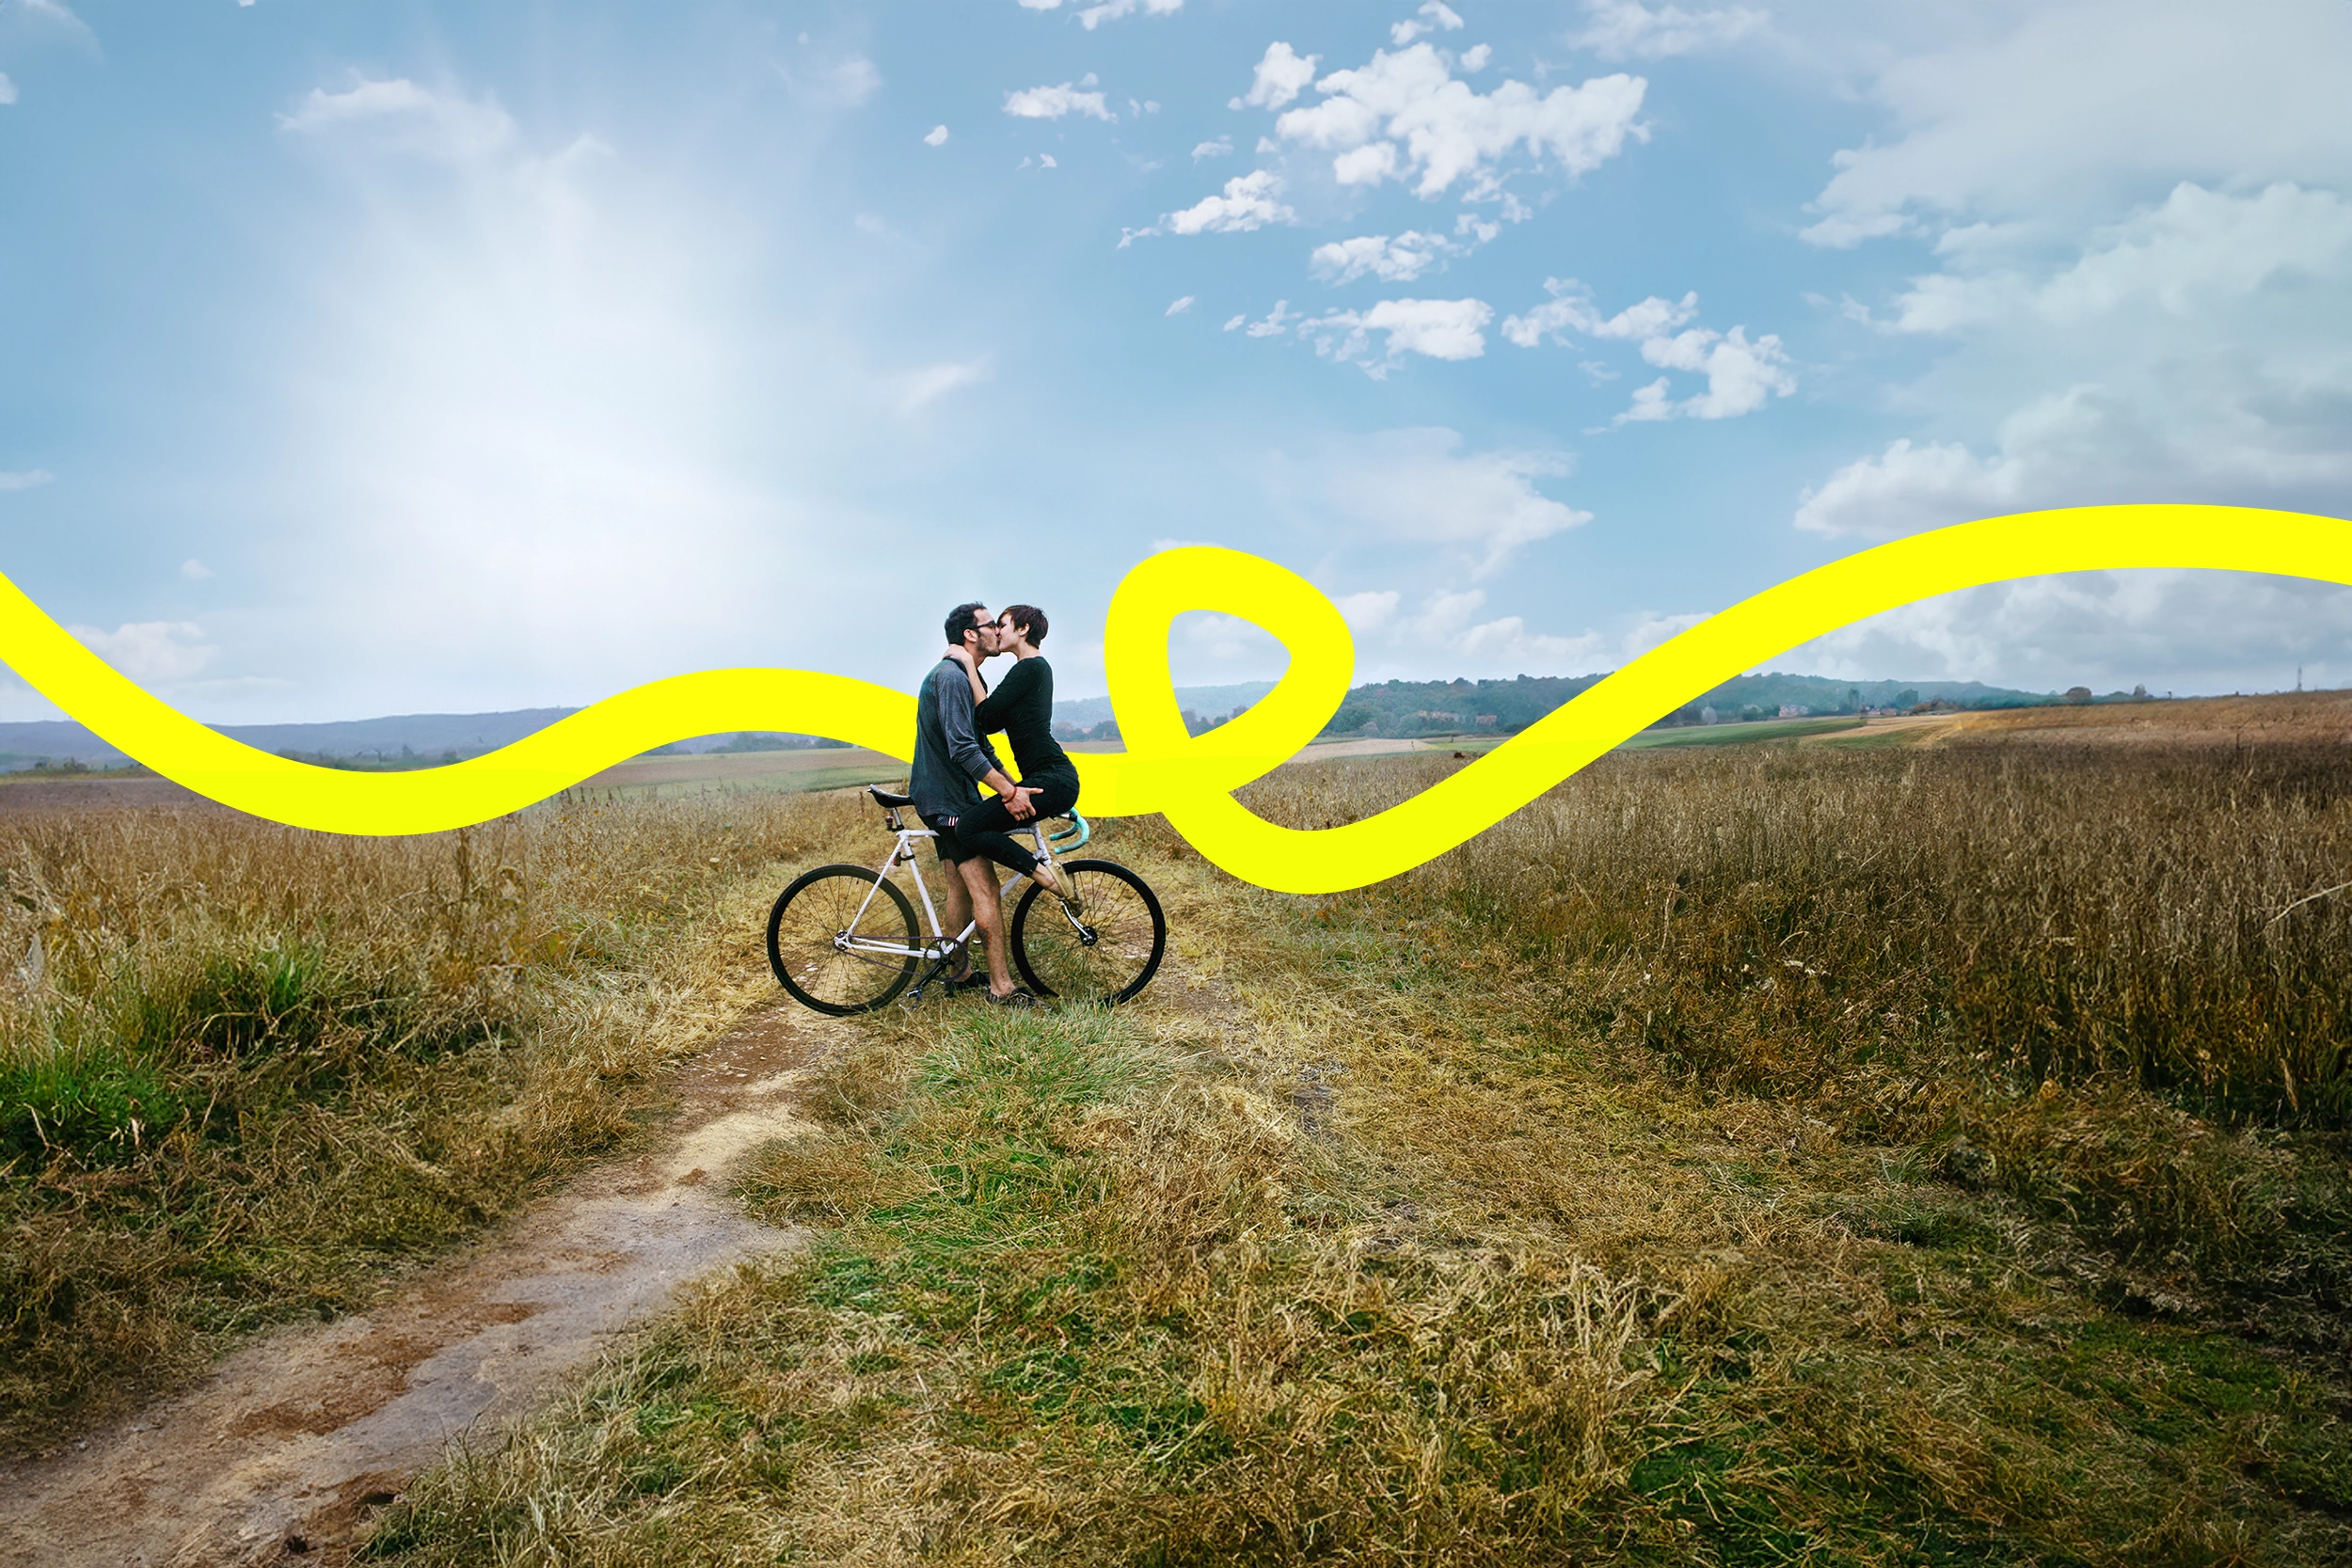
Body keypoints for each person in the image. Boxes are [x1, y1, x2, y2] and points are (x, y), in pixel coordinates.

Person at [908, 602, 1036, 1005]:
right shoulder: (950, 677)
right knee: (987, 890)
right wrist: (1006, 792)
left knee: (959, 888)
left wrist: (1013, 784)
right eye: (990, 625)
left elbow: (981, 742)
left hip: (950, 794)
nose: (998, 631)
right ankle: (1002, 988)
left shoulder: (965, 674)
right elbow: (962, 748)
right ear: (969, 634)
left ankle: (957, 971)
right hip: (946, 799)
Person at [954, 603, 1083, 911]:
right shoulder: (1033, 669)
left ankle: (1048, 878)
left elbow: (984, 716)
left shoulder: (1029, 667)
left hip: (1051, 778)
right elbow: (994, 721)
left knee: (968, 828)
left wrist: (967, 663)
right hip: (1050, 778)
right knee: (980, 825)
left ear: (1023, 629)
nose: (997, 631)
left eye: (1003, 624)